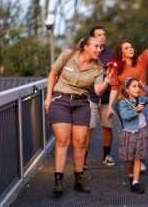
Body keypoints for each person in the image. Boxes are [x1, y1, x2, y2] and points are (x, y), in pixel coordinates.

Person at [44, 36, 112, 195]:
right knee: (62, 140)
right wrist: (48, 98)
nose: (99, 50)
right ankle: (58, 181)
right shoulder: (67, 55)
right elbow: (53, 74)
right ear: (85, 46)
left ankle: (78, 180)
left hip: (81, 103)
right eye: (96, 46)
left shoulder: (98, 67)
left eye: (101, 47)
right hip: (60, 100)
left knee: (81, 142)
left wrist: (108, 79)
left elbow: (97, 91)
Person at [108, 31, 148, 173]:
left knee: (141, 130)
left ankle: (139, 160)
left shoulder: (141, 61)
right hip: (123, 103)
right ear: (121, 52)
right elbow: (114, 87)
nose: (130, 49)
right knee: (129, 131)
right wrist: (110, 106)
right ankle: (132, 160)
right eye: (126, 48)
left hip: (140, 101)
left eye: (131, 47)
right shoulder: (116, 68)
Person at [117, 77, 148, 193]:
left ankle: (136, 182)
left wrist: (144, 87)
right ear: (127, 90)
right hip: (129, 133)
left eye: (138, 86)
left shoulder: (142, 99)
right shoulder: (123, 103)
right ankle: (130, 175)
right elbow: (124, 116)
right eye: (134, 87)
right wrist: (136, 111)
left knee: (138, 158)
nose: (137, 89)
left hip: (142, 131)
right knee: (129, 159)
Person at [84, 26, 115, 168]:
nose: (102, 37)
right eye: (99, 35)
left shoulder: (112, 54)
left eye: (104, 34)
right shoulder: (88, 54)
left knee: (107, 128)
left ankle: (106, 156)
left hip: (108, 98)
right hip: (90, 97)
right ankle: (82, 159)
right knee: (88, 129)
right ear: (92, 38)